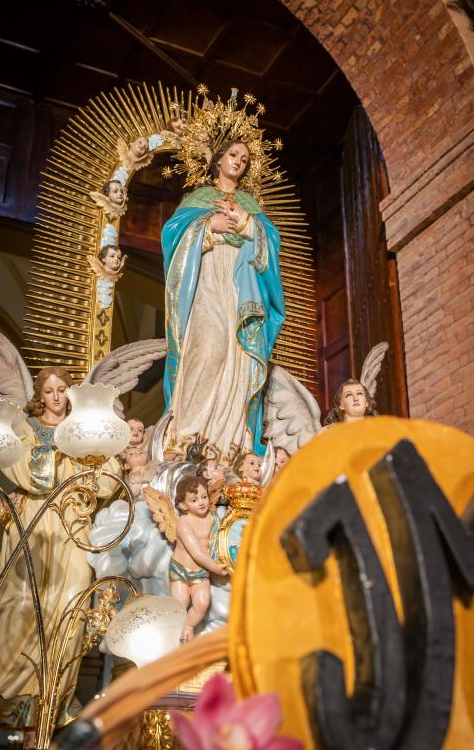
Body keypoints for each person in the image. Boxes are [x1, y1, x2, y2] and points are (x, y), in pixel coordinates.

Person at [0, 367, 120, 747]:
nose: (56, 397)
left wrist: (84, 458)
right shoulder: (26, 429)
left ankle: (48, 707)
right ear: (39, 395)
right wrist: (58, 453)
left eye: (62, 390)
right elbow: (28, 474)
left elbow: (107, 479)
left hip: (72, 526)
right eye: (49, 391)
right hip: (33, 525)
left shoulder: (87, 427)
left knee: (68, 611)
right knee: (18, 608)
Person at [162, 139, 285, 461]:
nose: (239, 162)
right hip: (207, 279)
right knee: (209, 349)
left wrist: (246, 221)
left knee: (238, 356)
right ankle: (187, 438)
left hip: (240, 286)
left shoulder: (249, 204)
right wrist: (208, 226)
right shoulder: (197, 200)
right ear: (218, 159)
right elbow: (171, 236)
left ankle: (231, 445)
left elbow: (270, 242)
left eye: (244, 159)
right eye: (233, 155)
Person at [169, 476, 228, 642]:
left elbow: (222, 535)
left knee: (202, 603)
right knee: (180, 604)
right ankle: (175, 633)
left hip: (201, 573)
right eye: (194, 500)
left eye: (204, 497)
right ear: (183, 505)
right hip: (181, 572)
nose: (201, 502)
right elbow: (196, 553)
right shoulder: (184, 523)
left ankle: (189, 626)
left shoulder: (213, 517)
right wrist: (215, 568)